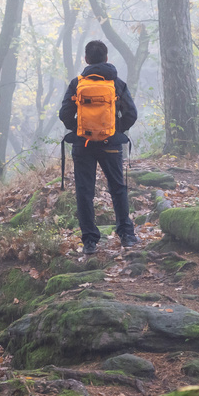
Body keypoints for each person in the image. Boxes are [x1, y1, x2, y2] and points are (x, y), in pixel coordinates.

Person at [59, 40, 139, 254]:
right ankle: (127, 235)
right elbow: (131, 114)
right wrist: (114, 129)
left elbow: (64, 115)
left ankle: (90, 241)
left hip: (83, 145)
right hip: (110, 144)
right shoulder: (117, 84)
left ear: (86, 59)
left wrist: (80, 128)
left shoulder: (77, 84)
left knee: (85, 192)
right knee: (118, 188)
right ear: (106, 58)